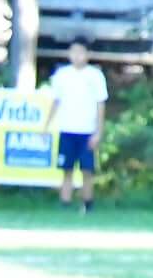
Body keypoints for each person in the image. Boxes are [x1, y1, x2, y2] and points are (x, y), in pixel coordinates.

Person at [43, 36, 108, 215]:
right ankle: (65, 203)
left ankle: (88, 204)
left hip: (87, 131)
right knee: (66, 169)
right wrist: (46, 126)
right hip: (67, 129)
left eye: (81, 52)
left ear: (87, 54)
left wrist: (98, 131)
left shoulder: (95, 76)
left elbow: (100, 104)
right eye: (74, 52)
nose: (77, 56)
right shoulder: (62, 75)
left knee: (87, 170)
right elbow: (56, 102)